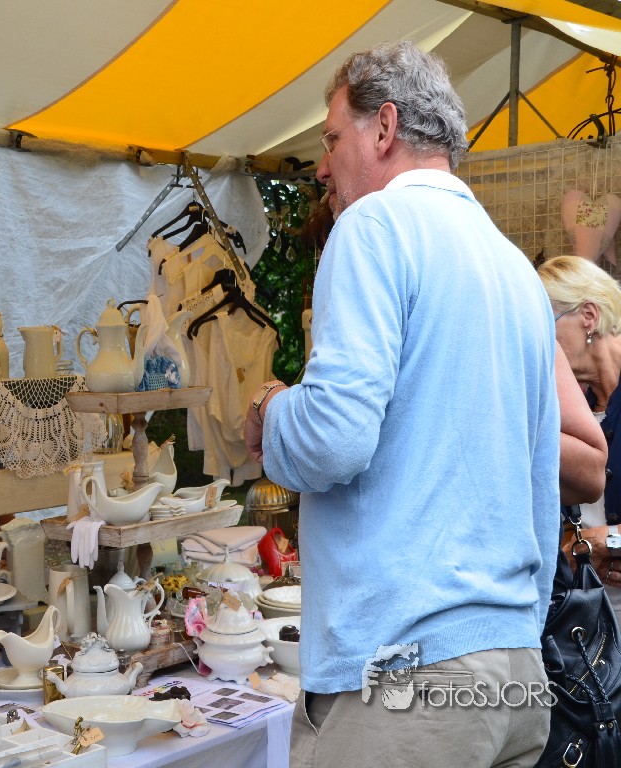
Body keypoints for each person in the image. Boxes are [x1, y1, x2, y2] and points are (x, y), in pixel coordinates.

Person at [244, 41, 559, 767]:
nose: (323, 167)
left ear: (383, 128)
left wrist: (272, 407)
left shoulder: (374, 225)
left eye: (331, 139)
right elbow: (541, 489)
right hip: (512, 670)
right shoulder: (516, 270)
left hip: (405, 677)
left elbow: (332, 439)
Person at [538, 255, 621, 613]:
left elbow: (601, 537)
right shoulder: (568, 411)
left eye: (546, 324)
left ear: (588, 316)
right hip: (586, 618)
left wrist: (609, 542)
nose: (538, 340)